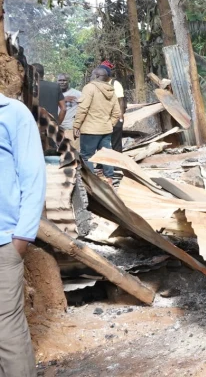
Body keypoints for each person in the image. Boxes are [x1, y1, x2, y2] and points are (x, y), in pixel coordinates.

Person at [0, 91, 46, 377]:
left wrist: (22, 238)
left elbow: (33, 176)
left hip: (3, 243)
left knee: (6, 331)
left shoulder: (12, 112)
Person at [73, 67, 121, 183]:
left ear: (96, 76)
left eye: (92, 74)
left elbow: (83, 108)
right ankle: (109, 178)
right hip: (105, 129)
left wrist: (76, 125)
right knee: (106, 155)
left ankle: (91, 181)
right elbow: (117, 112)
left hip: (90, 130)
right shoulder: (111, 90)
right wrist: (110, 124)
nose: (90, 76)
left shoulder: (89, 88)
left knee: (87, 156)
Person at [99, 61, 125, 152]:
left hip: (115, 117)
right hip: (103, 117)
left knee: (115, 142)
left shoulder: (115, 84)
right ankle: (102, 163)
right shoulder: (99, 84)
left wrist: (120, 116)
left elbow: (120, 100)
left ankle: (117, 164)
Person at [57, 73, 82, 150]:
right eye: (60, 80)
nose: (62, 82)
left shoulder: (77, 94)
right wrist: (62, 100)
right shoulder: (54, 93)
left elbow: (84, 108)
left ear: (69, 81)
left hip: (70, 128)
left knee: (73, 151)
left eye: (64, 80)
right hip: (57, 128)